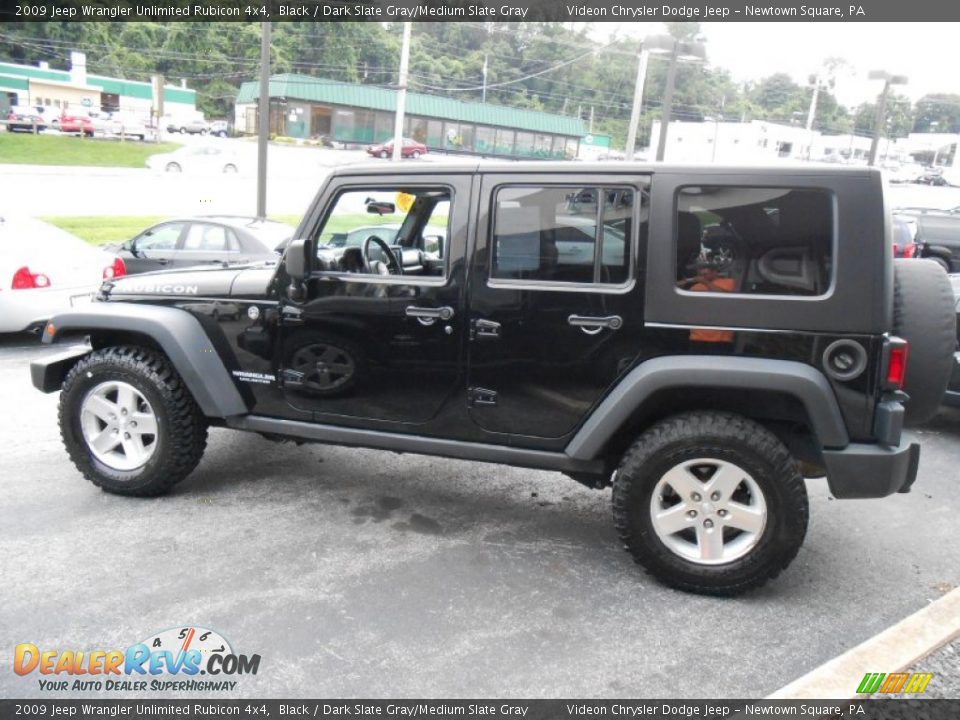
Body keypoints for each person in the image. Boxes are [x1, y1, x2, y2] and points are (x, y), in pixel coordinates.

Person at [685, 258, 736, 344]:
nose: (702, 273)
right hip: (697, 336)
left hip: (722, 338)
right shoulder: (695, 287)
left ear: (715, 271)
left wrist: (706, 283)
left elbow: (727, 298)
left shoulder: (729, 282)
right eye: (700, 270)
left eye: (705, 271)